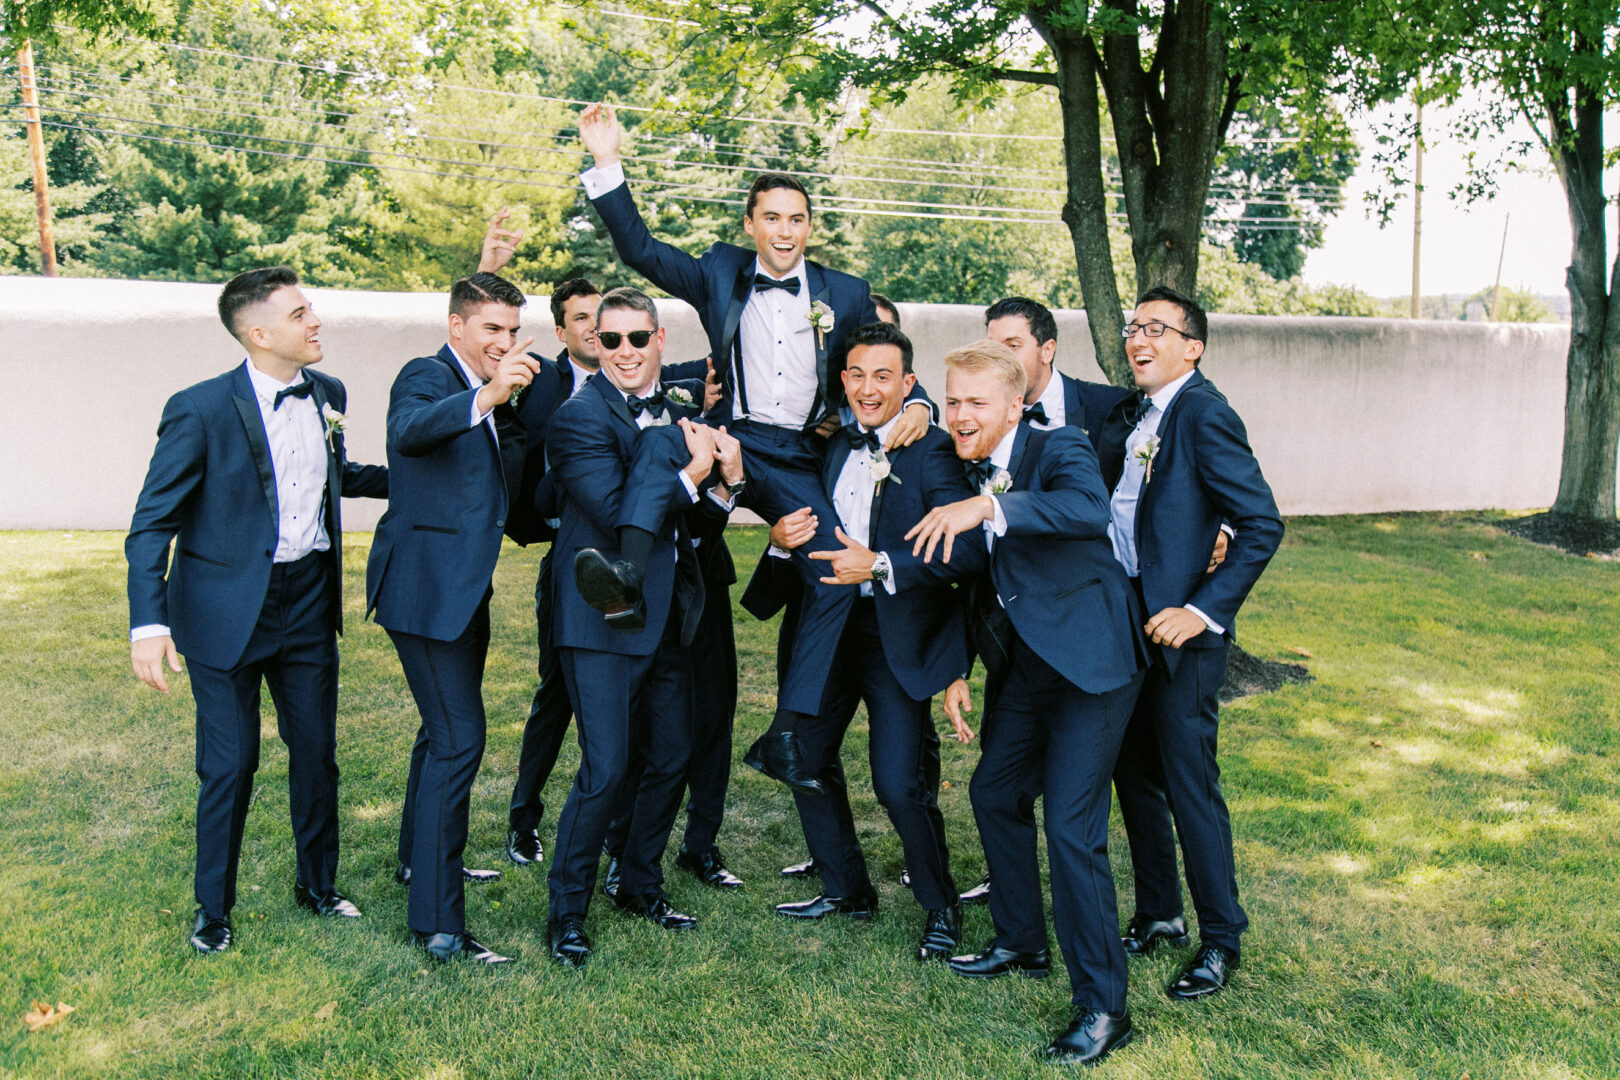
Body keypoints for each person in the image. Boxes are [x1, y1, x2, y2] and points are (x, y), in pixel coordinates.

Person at [571, 102, 934, 795]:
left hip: (798, 454)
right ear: (751, 224)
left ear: (809, 227)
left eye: (796, 218)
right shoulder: (718, 273)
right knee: (658, 448)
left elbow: (886, 363)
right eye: (772, 217)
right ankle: (626, 571)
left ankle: (788, 734)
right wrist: (606, 164)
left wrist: (917, 402)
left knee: (834, 570)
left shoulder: (846, 292)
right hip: (733, 434)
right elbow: (641, 252)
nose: (785, 230)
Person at [126, 266, 388, 954]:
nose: (316, 322)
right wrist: (148, 624)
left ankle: (318, 886)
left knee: (317, 753)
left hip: (306, 602)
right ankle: (213, 909)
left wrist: (422, 474)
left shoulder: (328, 393)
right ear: (259, 332)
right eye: (301, 313)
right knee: (230, 763)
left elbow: (338, 474)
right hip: (222, 610)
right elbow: (152, 522)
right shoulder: (200, 408)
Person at [909, 341, 1146, 1067]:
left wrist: (989, 503)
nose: (960, 414)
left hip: (1092, 664)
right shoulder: (957, 463)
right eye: (952, 400)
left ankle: (1105, 1007)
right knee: (993, 791)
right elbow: (968, 580)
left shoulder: (1060, 446)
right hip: (1027, 669)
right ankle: (1020, 940)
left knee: (1072, 831)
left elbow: (1085, 509)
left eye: (976, 402)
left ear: (1016, 405)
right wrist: (955, 671)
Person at [747, 322, 986, 961]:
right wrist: (780, 543)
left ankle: (940, 907)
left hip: (896, 636)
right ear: (843, 381)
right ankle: (847, 887)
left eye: (884, 376)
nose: (868, 387)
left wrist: (880, 564)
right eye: (857, 374)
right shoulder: (827, 448)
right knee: (801, 758)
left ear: (910, 385)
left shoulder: (934, 450)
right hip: (826, 633)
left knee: (897, 783)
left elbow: (967, 549)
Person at [544, 287, 745, 967]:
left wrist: (724, 487)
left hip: (668, 619)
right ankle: (566, 912)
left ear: (661, 340)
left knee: (672, 755)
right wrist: (688, 471)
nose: (625, 351)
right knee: (604, 770)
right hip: (602, 616)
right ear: (594, 344)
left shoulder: (679, 415)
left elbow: (692, 527)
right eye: (611, 340)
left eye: (638, 338)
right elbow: (610, 510)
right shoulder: (577, 422)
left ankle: (638, 880)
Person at [1100, 286, 1284, 999]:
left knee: (1189, 786)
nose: (1138, 338)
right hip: (1129, 627)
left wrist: (1202, 612)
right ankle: (1159, 913)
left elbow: (1260, 521)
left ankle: (1223, 939)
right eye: (1133, 326)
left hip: (1182, 639)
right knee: (1134, 774)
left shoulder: (1205, 412)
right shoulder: (1140, 413)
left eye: (1156, 328)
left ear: (1193, 345)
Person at [366, 272, 539, 965]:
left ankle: (419, 860)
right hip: (425, 593)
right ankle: (438, 923)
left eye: (511, 329)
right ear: (457, 326)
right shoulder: (427, 375)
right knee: (458, 741)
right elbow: (407, 433)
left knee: (437, 734)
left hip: (462, 593)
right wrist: (487, 395)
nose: (503, 341)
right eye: (490, 328)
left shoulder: (495, 382)